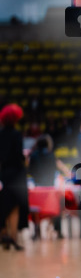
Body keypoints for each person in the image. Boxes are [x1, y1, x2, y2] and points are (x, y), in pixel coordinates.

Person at [0, 104, 28, 251]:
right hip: (16, 175)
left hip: (4, 174)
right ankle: (14, 238)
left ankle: (4, 237)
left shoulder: (1, 134)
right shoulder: (16, 135)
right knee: (15, 207)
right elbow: (18, 156)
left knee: (4, 206)